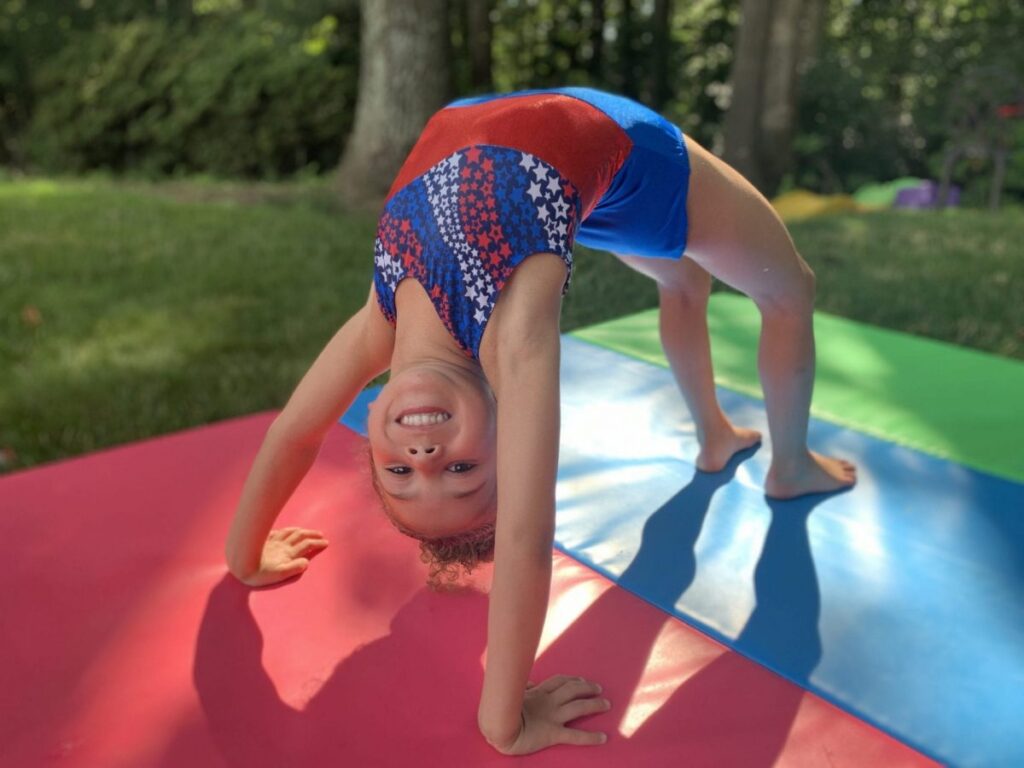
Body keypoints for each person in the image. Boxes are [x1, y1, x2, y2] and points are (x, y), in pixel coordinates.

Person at [223, 87, 857, 756]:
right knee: (788, 289)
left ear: (372, 415)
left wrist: (245, 555)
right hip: (624, 155)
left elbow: (293, 431)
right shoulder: (515, 337)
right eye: (461, 470)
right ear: (505, 422)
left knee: (683, 279)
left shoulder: (379, 323)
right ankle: (788, 466)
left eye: (400, 472)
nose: (428, 455)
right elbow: (526, 535)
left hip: (550, 158)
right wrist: (504, 721)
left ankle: (717, 438)